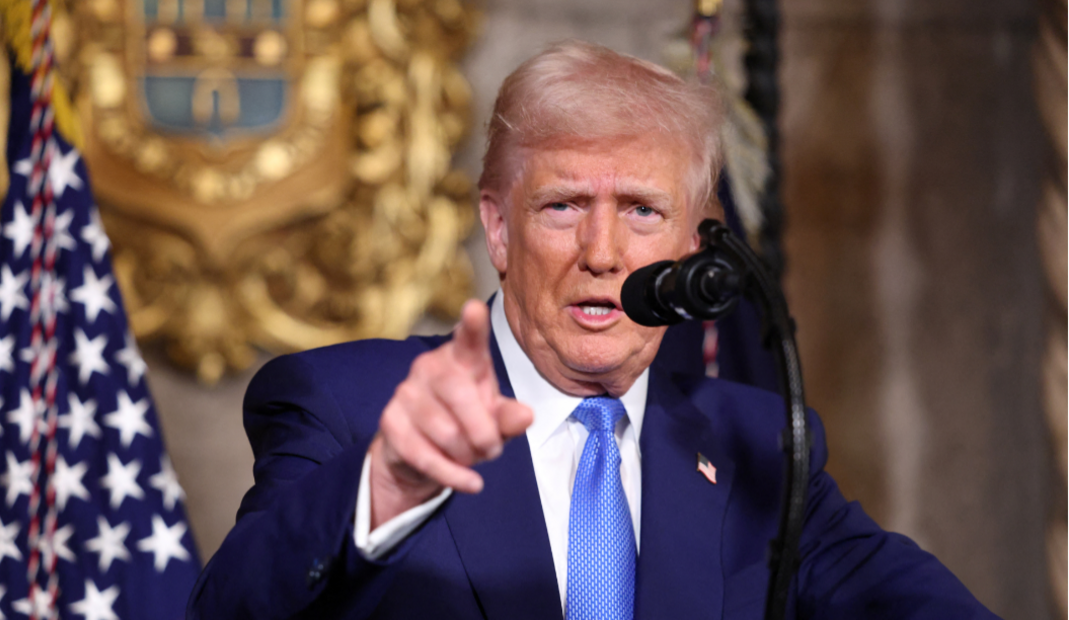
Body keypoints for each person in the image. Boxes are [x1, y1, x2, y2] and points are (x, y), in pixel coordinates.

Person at [188, 41, 999, 619]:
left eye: (642, 211)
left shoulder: (756, 448)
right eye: (563, 206)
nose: (602, 252)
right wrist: (387, 481)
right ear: (498, 230)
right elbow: (226, 608)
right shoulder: (350, 406)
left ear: (691, 246)